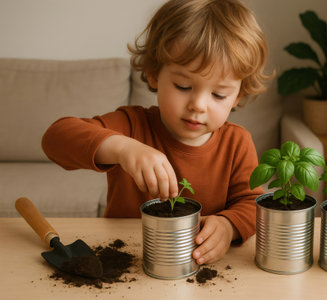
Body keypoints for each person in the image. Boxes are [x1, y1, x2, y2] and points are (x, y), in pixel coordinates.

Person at [42, 0, 271, 265]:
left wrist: (228, 226)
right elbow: (55, 138)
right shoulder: (131, 126)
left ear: (237, 96)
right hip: (126, 261)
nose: (198, 105)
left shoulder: (237, 143)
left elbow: (252, 204)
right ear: (153, 74)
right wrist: (122, 148)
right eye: (183, 86)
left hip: (201, 269)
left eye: (219, 94)